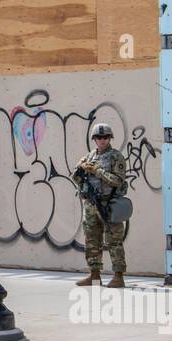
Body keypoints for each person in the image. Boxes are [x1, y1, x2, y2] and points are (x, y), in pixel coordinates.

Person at [71, 122, 129, 288]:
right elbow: (77, 179)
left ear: (110, 138)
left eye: (105, 137)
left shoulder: (116, 157)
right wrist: (80, 169)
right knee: (91, 240)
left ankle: (118, 276)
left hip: (108, 204)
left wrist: (97, 171)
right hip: (90, 204)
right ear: (94, 139)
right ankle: (94, 275)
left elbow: (118, 181)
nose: (102, 140)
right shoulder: (89, 157)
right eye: (99, 137)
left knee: (114, 240)